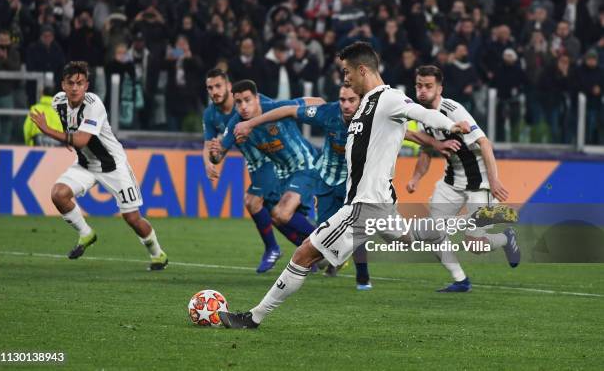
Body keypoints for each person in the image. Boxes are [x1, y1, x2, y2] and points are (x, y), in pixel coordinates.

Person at [218, 42, 501, 329]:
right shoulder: (364, 104)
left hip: (364, 205)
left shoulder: (389, 98)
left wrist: (451, 127)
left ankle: (253, 317)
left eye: (347, 72)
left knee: (305, 253)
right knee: (411, 238)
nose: (345, 78)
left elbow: (421, 113)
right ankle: (466, 223)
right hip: (379, 203)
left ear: (362, 69)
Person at [234, 84, 462, 290]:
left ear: (360, 100)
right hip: (326, 181)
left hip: (355, 182)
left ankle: (362, 276)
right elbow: (288, 111)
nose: (345, 104)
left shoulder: (371, 117)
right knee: (322, 234)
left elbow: (409, 133)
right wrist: (252, 123)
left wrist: (437, 143)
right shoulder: (327, 113)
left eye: (351, 100)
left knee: (358, 229)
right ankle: (327, 261)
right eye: (342, 99)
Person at [28, 61, 168, 270]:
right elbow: (72, 130)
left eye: (80, 83)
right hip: (86, 164)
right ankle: (86, 234)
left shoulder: (94, 105)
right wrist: (69, 139)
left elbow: (82, 140)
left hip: (112, 165)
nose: (75, 87)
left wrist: (50, 131)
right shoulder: (58, 102)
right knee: (59, 194)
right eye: (70, 83)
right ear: (63, 85)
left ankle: (158, 254)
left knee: (132, 218)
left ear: (87, 85)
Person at [406, 65, 520, 292]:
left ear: (440, 88)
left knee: (474, 244)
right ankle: (460, 280)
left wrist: (494, 181)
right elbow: (427, 150)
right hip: (452, 181)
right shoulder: (421, 115)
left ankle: (506, 238)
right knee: (433, 232)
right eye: (419, 85)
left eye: (428, 86)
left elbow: (484, 143)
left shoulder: (452, 109)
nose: (422, 91)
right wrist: (416, 178)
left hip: (479, 182)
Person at [209, 80, 324, 256]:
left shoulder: (275, 107)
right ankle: (324, 250)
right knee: (277, 216)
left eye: (248, 100)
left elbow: (319, 102)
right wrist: (213, 153)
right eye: (238, 102)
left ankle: (328, 245)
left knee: (282, 214)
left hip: (304, 166)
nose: (243, 107)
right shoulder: (237, 124)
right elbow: (217, 156)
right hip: (283, 175)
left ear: (257, 98)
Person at [202, 69, 285, 273]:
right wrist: (209, 161)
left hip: (270, 159)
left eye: (218, 86)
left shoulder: (250, 103)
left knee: (254, 202)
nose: (214, 91)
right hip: (254, 165)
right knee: (278, 213)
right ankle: (316, 251)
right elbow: (211, 145)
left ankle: (275, 248)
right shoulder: (210, 114)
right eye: (210, 88)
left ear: (229, 87)